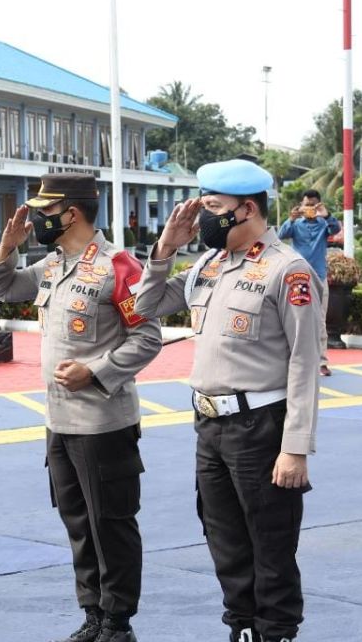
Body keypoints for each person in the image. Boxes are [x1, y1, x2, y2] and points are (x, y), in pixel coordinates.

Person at [134, 159, 321, 642]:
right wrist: (165, 250)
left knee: (271, 540)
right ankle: (241, 625)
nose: (202, 218)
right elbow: (144, 305)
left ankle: (275, 632)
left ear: (248, 209)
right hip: (210, 425)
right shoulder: (207, 265)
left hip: (261, 425)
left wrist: (295, 446)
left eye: (212, 208)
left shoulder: (288, 271)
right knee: (223, 538)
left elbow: (304, 362)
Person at [0, 174, 162, 642]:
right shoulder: (54, 263)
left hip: (102, 420)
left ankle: (119, 621)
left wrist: (97, 370)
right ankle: (94, 614)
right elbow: (4, 288)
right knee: (78, 522)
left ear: (72, 213)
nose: (38, 219)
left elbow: (147, 337)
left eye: (45, 211)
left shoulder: (118, 266)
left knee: (111, 523)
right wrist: (8, 247)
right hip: (58, 420)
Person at [277, 189, 340, 377]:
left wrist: (326, 214)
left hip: (319, 277)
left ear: (318, 205)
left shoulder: (323, 223)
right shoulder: (295, 224)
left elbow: (336, 229)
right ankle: (293, 361)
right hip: (299, 278)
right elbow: (281, 235)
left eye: (313, 205)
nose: (309, 208)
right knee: (296, 319)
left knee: (320, 321)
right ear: (302, 205)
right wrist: (290, 218)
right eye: (307, 204)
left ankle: (321, 362)